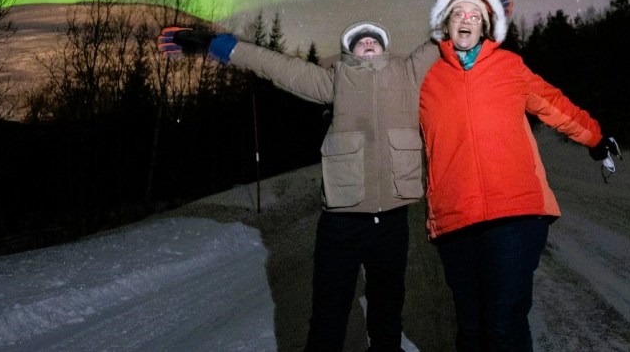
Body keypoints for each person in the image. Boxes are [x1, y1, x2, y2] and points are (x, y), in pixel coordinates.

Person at [159, 20, 438, 352]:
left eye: (373, 40)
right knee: (328, 313)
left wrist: (479, 7)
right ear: (349, 51)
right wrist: (219, 46)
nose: (367, 42)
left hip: (392, 223)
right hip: (342, 224)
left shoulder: (407, 74)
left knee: (388, 312)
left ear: (384, 48)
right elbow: (278, 66)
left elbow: (444, 40)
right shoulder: (333, 80)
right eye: (359, 40)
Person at [417, 0, 614, 351]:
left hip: (514, 213)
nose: (466, 20)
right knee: (471, 330)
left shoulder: (509, 66)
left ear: (486, 27)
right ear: (446, 24)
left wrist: (594, 137)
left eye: (476, 15)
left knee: (503, 325)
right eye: (459, 12)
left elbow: (552, 104)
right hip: (455, 219)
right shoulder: (427, 80)